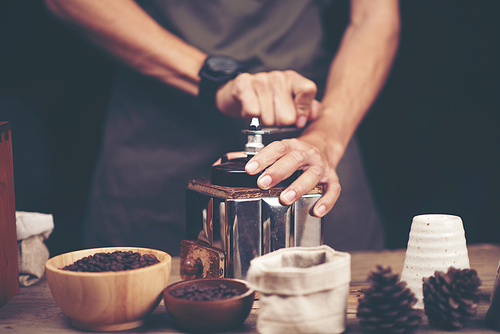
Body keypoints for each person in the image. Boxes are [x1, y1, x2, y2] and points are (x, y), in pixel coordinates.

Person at [44, 0, 400, 255]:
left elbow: (374, 14)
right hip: (157, 146)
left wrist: (327, 136)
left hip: (312, 143)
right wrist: (212, 79)